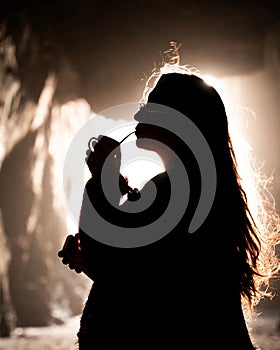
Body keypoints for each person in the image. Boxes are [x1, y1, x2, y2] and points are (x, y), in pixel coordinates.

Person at [59, 64, 280, 349]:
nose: (138, 114)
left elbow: (114, 272)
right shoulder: (199, 189)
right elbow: (138, 280)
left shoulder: (171, 192)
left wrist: (102, 182)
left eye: (150, 107)